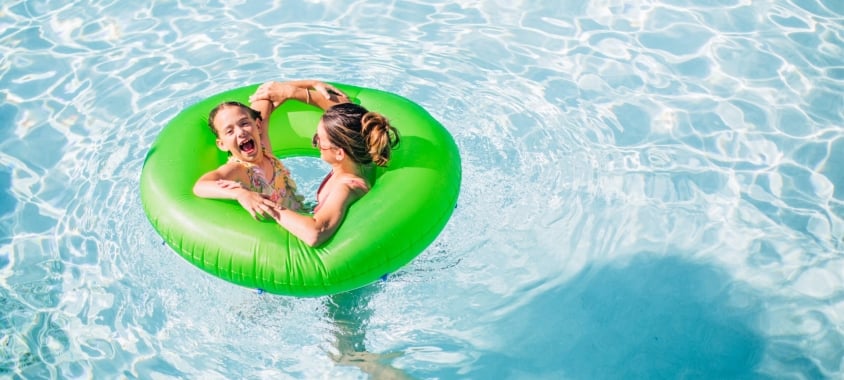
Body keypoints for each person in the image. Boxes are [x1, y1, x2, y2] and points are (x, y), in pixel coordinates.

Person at [249, 84, 400, 247]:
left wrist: (266, 205)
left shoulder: (347, 188)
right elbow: (349, 111)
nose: (315, 143)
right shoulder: (364, 155)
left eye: (319, 139)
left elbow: (315, 233)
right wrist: (293, 91)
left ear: (339, 153)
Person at [193, 80, 348, 220]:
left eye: (244, 123)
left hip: (301, 211)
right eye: (229, 131)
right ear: (222, 144)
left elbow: (265, 93)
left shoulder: (263, 145)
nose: (241, 132)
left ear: (258, 125)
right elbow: (201, 186)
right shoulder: (237, 169)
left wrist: (310, 83)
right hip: (280, 228)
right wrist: (240, 193)